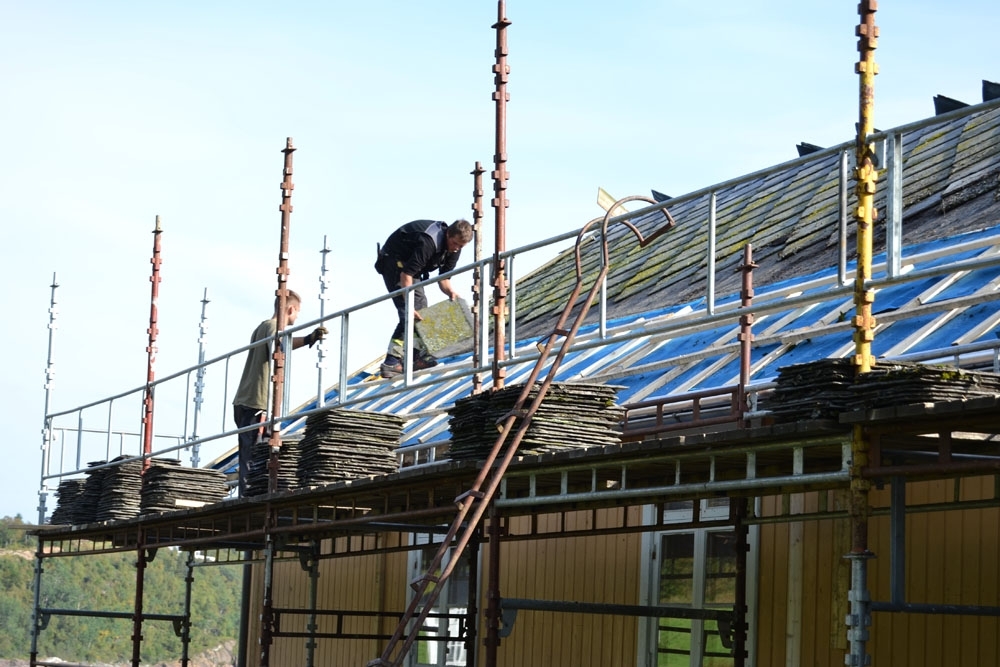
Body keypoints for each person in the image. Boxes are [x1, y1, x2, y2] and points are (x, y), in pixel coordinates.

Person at [232, 290, 326, 495]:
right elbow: (278, 350)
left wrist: (309, 338)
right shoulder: (274, 326)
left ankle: (251, 493)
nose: (297, 316)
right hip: (256, 401)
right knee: (256, 454)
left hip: (246, 399)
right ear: (291, 309)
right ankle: (249, 497)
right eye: (297, 312)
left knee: (253, 452)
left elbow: (282, 344)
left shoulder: (263, 326)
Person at [374, 219, 473, 378]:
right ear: (448, 234)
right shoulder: (429, 242)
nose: (456, 249)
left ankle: (415, 358)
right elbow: (406, 275)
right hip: (394, 262)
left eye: (461, 247)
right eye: (455, 244)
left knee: (421, 310)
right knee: (411, 312)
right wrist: (409, 304)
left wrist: (451, 293)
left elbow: (444, 279)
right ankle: (391, 362)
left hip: (410, 269)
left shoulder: (455, 249)